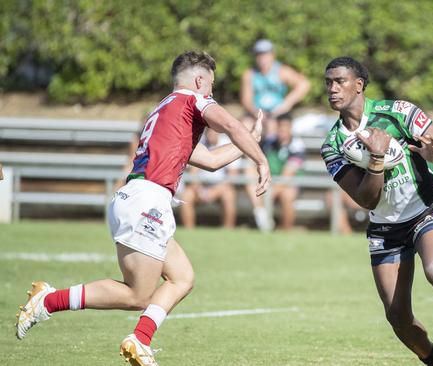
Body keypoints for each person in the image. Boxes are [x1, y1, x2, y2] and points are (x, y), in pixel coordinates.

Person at [15, 50, 271, 366]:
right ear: (199, 80)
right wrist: (260, 159)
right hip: (147, 202)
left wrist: (250, 141)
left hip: (137, 199)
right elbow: (231, 125)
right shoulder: (193, 101)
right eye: (211, 85)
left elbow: (213, 160)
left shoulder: (165, 112)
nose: (212, 93)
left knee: (182, 277)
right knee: (137, 295)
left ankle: (140, 340)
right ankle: (49, 301)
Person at [320, 56, 433, 366]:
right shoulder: (333, 144)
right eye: (328, 82)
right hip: (385, 228)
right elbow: (366, 200)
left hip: (425, 209)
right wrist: (376, 159)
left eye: (339, 81)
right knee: (397, 317)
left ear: (359, 85)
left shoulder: (398, 112)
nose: (332, 88)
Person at [179, 128, 251, 229]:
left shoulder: (227, 144)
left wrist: (214, 191)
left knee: (229, 194)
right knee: (187, 195)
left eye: (214, 132)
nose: (211, 135)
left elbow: (232, 176)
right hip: (201, 186)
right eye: (209, 132)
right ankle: (189, 229)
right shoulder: (199, 143)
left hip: (221, 186)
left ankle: (228, 230)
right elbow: (193, 174)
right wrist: (200, 189)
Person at [245, 113, 305, 231]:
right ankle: (261, 214)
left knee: (287, 194)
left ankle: (285, 230)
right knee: (249, 169)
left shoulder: (297, 146)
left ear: (291, 127)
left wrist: (266, 198)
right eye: (280, 125)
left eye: (285, 126)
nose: (282, 129)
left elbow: (287, 176)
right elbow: (255, 160)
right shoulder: (269, 142)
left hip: (289, 183)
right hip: (269, 181)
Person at [240, 39, 311, 139]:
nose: (262, 58)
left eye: (265, 54)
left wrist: (286, 104)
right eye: (259, 55)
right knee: (244, 126)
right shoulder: (249, 74)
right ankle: (247, 153)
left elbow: (304, 84)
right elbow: (246, 101)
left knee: (276, 127)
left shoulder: (282, 71)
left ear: (272, 55)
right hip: (257, 113)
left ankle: (274, 152)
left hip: (278, 113)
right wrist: (259, 115)